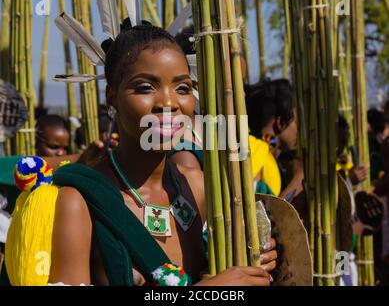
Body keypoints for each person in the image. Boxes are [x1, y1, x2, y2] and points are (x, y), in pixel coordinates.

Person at [3, 22, 277, 286]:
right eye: (146, 87)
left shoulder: (197, 187)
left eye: (183, 88)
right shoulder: (78, 201)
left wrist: (252, 260)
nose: (169, 103)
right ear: (112, 98)